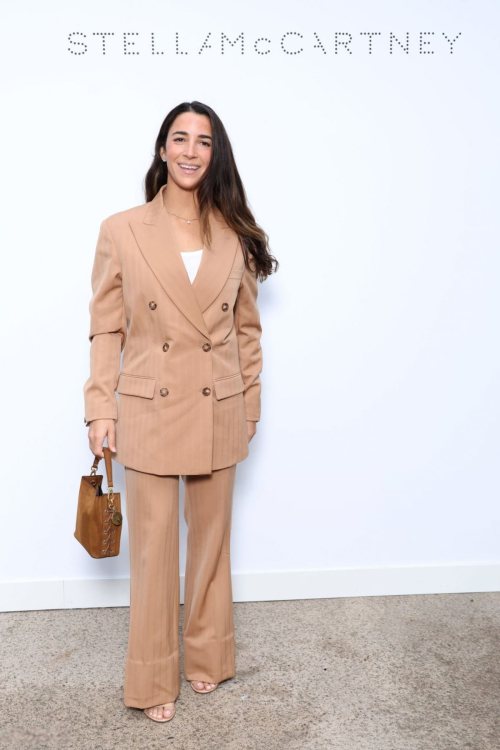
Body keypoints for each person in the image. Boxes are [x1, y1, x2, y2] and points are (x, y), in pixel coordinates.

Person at [83, 101, 278, 723]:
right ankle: (150, 678)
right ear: (162, 149)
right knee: (154, 550)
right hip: (148, 408)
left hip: (218, 406)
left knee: (212, 544)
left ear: (215, 155)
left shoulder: (235, 233)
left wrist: (249, 403)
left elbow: (247, 330)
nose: (192, 150)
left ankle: (208, 656)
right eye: (180, 138)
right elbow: (105, 329)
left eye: (204, 141)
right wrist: (98, 409)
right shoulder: (123, 229)